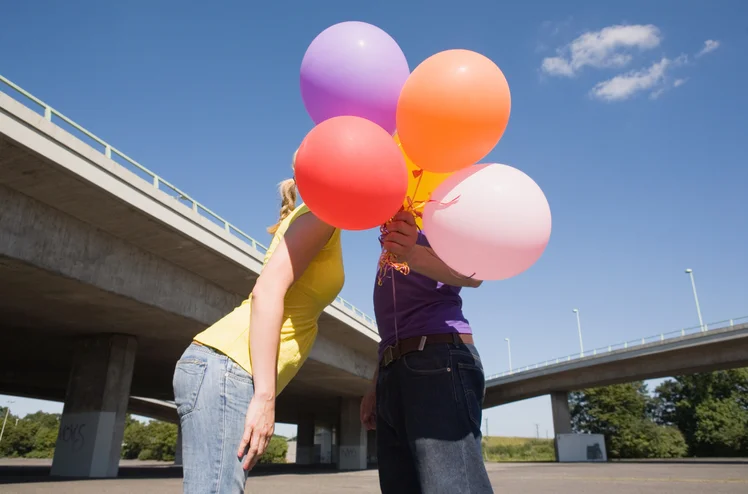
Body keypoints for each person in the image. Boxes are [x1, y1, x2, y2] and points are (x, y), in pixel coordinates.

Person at [172, 152, 344, 494]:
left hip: (225, 369)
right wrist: (265, 397)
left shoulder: (315, 218)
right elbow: (266, 293)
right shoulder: (322, 215)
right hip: (228, 368)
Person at [361, 210, 493, 493]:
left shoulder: (443, 210)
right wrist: (376, 384)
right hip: (393, 368)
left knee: (449, 486)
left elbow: (475, 273)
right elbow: (395, 323)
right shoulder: (394, 227)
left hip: (436, 356)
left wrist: (412, 253)